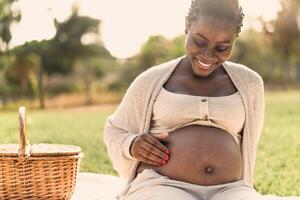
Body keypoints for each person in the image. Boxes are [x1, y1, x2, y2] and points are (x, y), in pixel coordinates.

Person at [103, 0, 298, 199]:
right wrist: (131, 143)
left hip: (231, 189)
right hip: (162, 185)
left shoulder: (250, 83)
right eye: (199, 42)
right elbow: (115, 130)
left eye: (222, 48)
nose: (208, 55)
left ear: (234, 40)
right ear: (187, 24)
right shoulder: (151, 80)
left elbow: (249, 144)